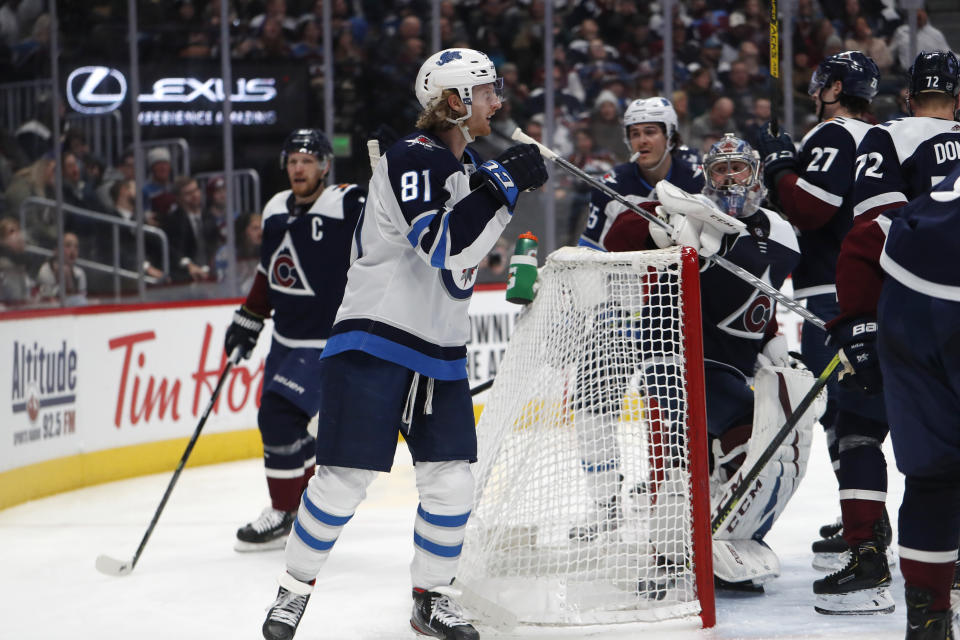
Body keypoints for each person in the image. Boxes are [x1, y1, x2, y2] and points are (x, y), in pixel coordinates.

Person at [258, 48, 547, 640]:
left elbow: (464, 258)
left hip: (439, 352)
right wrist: (508, 179)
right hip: (376, 340)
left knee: (452, 480)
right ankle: (292, 593)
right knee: (342, 480)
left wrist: (502, 187)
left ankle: (432, 597)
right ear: (455, 102)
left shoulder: (464, 171)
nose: (499, 102)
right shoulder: (414, 155)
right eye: (487, 91)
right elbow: (441, 244)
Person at [586, 134, 810, 592]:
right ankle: (670, 554)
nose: (730, 178)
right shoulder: (686, 216)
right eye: (720, 170)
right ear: (706, 177)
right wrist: (659, 227)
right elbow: (616, 239)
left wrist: (772, 340)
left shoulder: (777, 230)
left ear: (756, 174)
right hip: (671, 354)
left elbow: (758, 295)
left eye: (739, 168)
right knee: (686, 455)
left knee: (748, 449)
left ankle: (719, 543)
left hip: (730, 364)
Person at [816, 50, 960, 617]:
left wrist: (860, 320)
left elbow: (875, 230)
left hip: (906, 315)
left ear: (906, 97)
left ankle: (871, 560)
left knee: (863, 430)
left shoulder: (888, 137)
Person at [754, 50, 886, 571]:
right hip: (871, 290)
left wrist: (782, 166)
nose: (814, 95)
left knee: (849, 418)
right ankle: (867, 518)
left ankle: (867, 530)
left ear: (832, 89)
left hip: (833, 298)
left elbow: (811, 208)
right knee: (858, 417)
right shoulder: (878, 138)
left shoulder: (836, 135)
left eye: (820, 86)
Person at [223, 129, 364, 552]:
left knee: (278, 416)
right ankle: (304, 508)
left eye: (308, 160)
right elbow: (271, 272)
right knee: (291, 429)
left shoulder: (348, 202)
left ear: (325, 165)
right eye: (292, 160)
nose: (298, 168)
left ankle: (285, 512)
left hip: (329, 339)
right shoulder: (273, 210)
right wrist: (249, 319)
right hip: (286, 338)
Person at [872, 166, 960, 640]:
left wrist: (854, 324)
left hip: (904, 308)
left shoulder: (945, 177)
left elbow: (867, 236)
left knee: (933, 475)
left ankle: (927, 621)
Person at [578, 96, 705, 251]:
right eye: (635, 134)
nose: (642, 141)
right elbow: (590, 250)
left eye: (650, 132)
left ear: (670, 137)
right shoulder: (610, 187)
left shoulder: (699, 181)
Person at [162, 176, 220, 282]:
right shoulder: (173, 221)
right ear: (178, 198)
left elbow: (214, 243)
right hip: (185, 274)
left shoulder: (208, 216)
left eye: (196, 190)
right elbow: (173, 251)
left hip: (210, 271)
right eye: (188, 193)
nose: (195, 195)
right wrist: (189, 265)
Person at [36, 231, 87, 305]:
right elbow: (48, 301)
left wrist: (69, 280)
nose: (73, 250)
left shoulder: (80, 273)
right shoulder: (46, 270)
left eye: (76, 247)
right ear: (56, 250)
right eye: (68, 245)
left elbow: (81, 300)